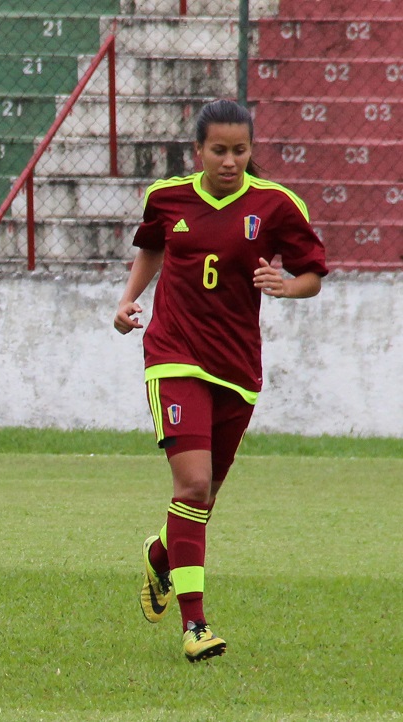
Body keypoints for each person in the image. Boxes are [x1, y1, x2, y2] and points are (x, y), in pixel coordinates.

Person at [114, 98, 328, 662]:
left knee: (202, 498)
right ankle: (195, 625)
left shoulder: (277, 206)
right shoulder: (167, 198)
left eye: (240, 150)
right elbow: (153, 247)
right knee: (191, 486)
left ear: (251, 150)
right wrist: (128, 300)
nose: (229, 161)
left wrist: (287, 284)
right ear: (198, 151)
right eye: (219, 150)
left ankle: (162, 555)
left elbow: (313, 276)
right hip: (174, 355)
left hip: (237, 369)